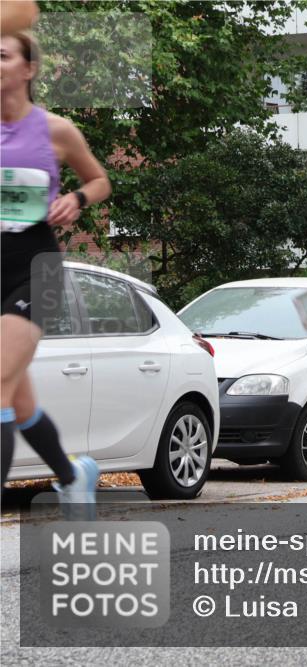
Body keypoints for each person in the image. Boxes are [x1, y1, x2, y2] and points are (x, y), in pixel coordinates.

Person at [1, 31, 111, 515]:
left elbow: (100, 179)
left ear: (28, 70)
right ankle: (73, 474)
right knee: (19, 404)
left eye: (2, 56)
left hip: (36, 267)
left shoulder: (56, 130)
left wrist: (77, 198)